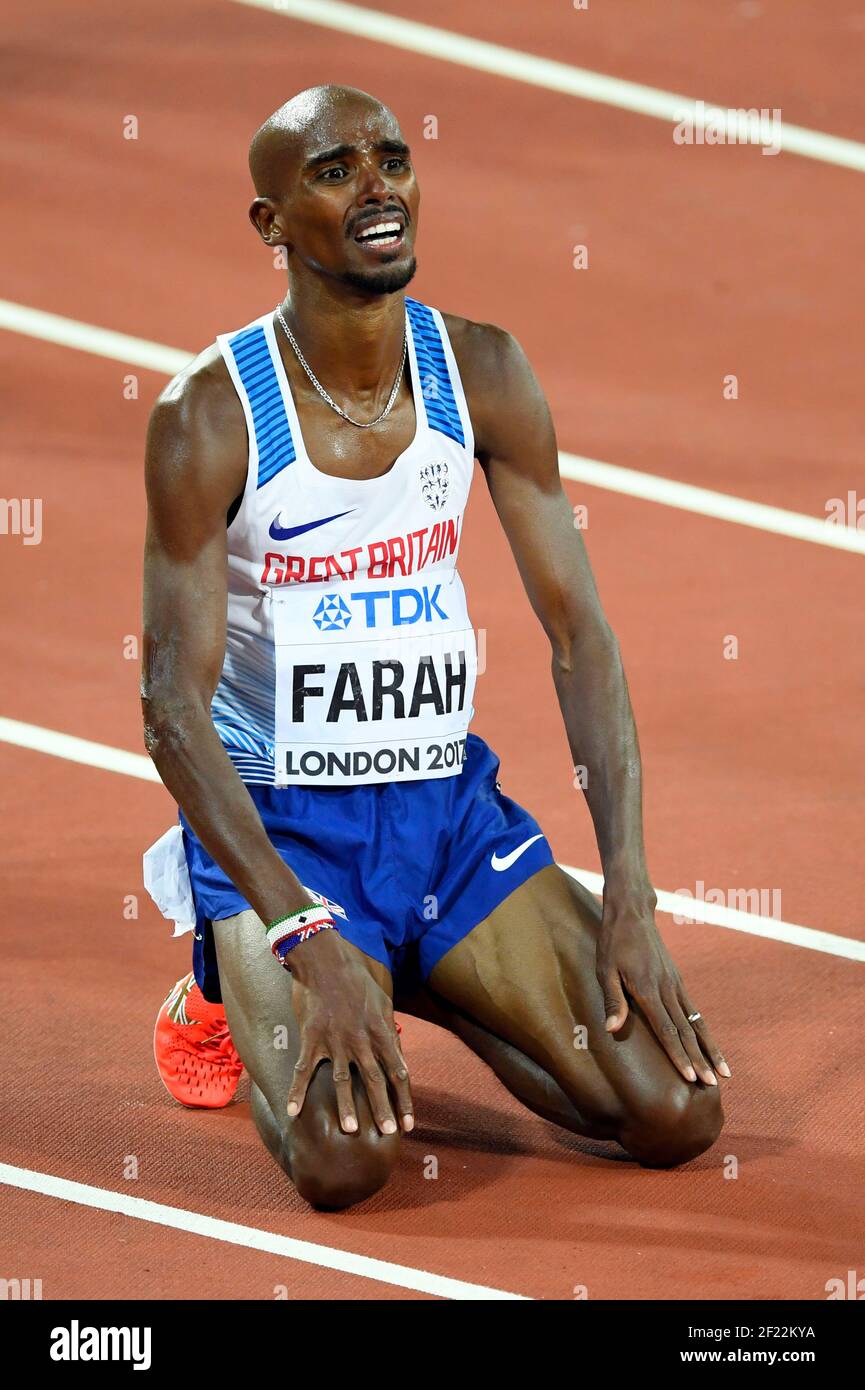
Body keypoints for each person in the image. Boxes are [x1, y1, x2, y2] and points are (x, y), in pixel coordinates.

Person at [142, 85, 727, 1211]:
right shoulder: (208, 415)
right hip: (285, 827)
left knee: (674, 1110)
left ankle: (411, 962)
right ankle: (230, 982)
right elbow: (172, 705)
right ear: (270, 225)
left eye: (393, 159)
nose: (378, 186)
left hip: (445, 817)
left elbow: (580, 639)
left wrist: (632, 893)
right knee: (345, 1163)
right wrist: (303, 931)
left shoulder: (485, 373)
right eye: (334, 169)